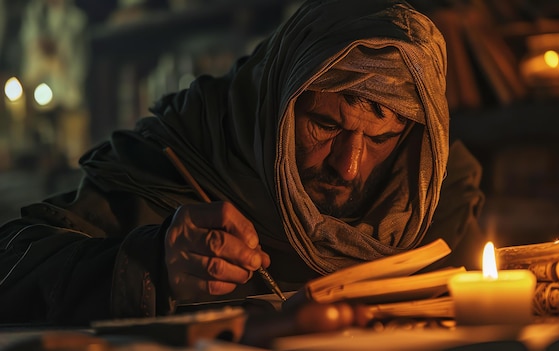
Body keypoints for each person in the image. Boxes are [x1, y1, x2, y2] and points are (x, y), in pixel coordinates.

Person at [0, 0, 486, 325]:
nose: (349, 166)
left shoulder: (432, 194)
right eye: (326, 126)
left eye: (380, 137)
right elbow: (13, 264)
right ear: (276, 105)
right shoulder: (189, 153)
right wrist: (152, 264)